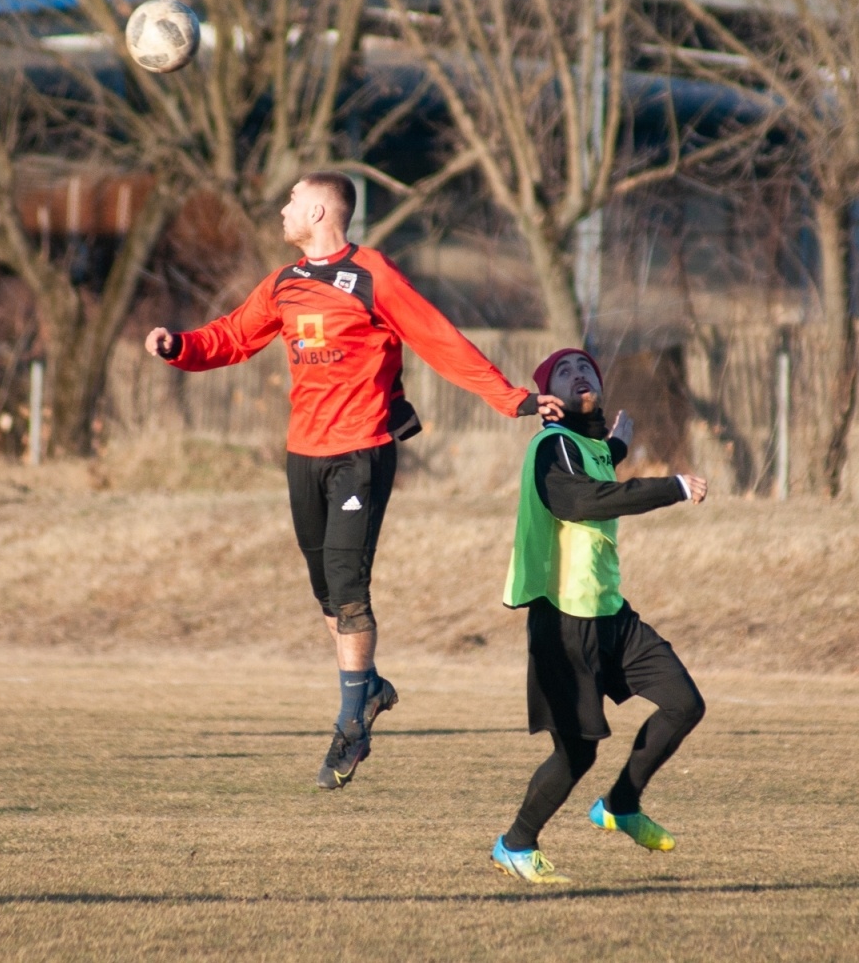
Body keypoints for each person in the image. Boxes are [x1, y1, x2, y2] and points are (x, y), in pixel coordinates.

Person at [145, 172, 562, 790]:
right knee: (325, 595)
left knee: (348, 589)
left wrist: (513, 399)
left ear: (317, 210)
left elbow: (440, 341)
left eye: (290, 200)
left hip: (360, 453)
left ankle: (351, 724)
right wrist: (181, 345)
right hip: (302, 454)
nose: (282, 209)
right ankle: (370, 688)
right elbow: (233, 336)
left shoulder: (373, 276)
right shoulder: (283, 283)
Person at [491, 347, 708, 884]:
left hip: (611, 615)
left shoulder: (589, 446)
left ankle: (620, 805)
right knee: (577, 751)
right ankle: (515, 844)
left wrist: (621, 438)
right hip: (563, 621)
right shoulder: (552, 446)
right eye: (563, 372)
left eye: (586, 367)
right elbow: (581, 501)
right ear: (547, 400)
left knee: (684, 704)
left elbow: (602, 457)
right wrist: (671, 487)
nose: (578, 373)